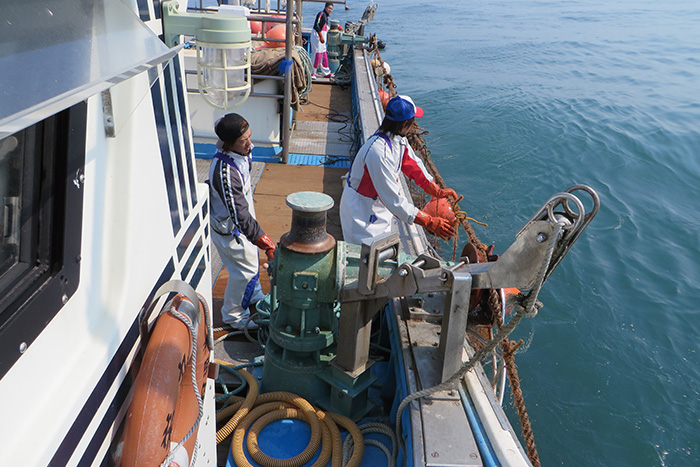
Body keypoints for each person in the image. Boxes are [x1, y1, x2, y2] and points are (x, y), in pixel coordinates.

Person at [340, 95, 458, 245]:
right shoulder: (378, 152)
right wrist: (429, 221)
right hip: (361, 215)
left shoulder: (397, 140)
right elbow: (394, 200)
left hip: (379, 209)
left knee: (380, 250)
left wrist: (437, 191)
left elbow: (414, 165)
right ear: (404, 125)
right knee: (364, 258)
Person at [208, 113, 276, 330]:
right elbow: (239, 215)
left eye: (250, 137)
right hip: (230, 228)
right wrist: (263, 239)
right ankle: (234, 316)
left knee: (251, 259)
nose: (250, 144)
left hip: (244, 218)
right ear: (228, 145)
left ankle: (254, 294)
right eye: (243, 141)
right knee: (244, 270)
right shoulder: (224, 171)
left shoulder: (242, 151)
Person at [310, 2, 334, 79]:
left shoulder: (326, 17)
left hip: (323, 36)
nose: (330, 10)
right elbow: (316, 25)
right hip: (317, 36)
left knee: (324, 54)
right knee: (317, 54)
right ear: (326, 7)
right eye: (329, 8)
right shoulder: (321, 14)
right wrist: (320, 36)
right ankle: (313, 72)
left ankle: (326, 72)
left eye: (331, 9)